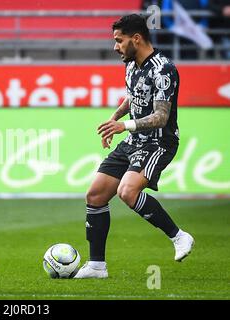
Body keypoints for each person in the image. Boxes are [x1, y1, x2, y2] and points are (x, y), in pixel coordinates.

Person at [73, 14, 194, 279]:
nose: (115, 47)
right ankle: (96, 266)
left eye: (119, 41)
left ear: (136, 38)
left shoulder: (164, 69)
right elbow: (133, 96)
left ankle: (179, 236)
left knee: (127, 192)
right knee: (95, 196)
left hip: (158, 142)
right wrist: (114, 119)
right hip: (134, 141)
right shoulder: (131, 65)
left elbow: (161, 116)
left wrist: (124, 127)